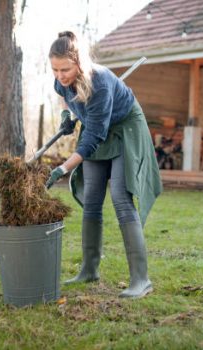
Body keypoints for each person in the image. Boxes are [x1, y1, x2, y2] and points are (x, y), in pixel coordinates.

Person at [45, 31, 162, 299]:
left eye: (65, 69)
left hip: (124, 130)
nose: (60, 75)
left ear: (79, 63)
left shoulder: (100, 84)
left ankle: (141, 280)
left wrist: (62, 169)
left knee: (121, 198)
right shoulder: (61, 81)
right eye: (55, 69)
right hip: (98, 128)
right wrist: (67, 113)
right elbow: (64, 96)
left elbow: (90, 142)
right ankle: (89, 269)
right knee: (92, 198)